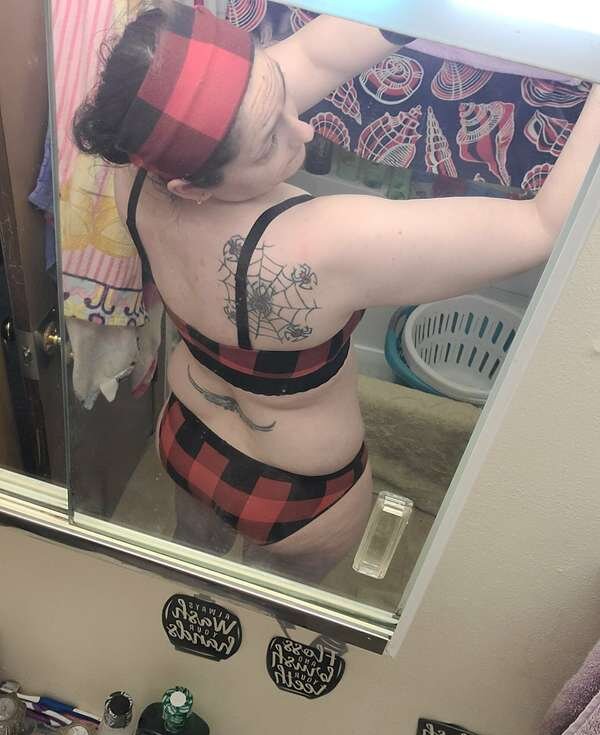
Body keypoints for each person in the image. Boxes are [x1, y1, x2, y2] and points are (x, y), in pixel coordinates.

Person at [73, 1, 600, 582]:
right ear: (192, 188)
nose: (302, 129)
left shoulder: (136, 162)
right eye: (268, 144)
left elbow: (315, 53)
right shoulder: (325, 244)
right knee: (274, 627)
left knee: (189, 579)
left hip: (184, 434)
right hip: (297, 493)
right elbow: (542, 227)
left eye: (280, 93)